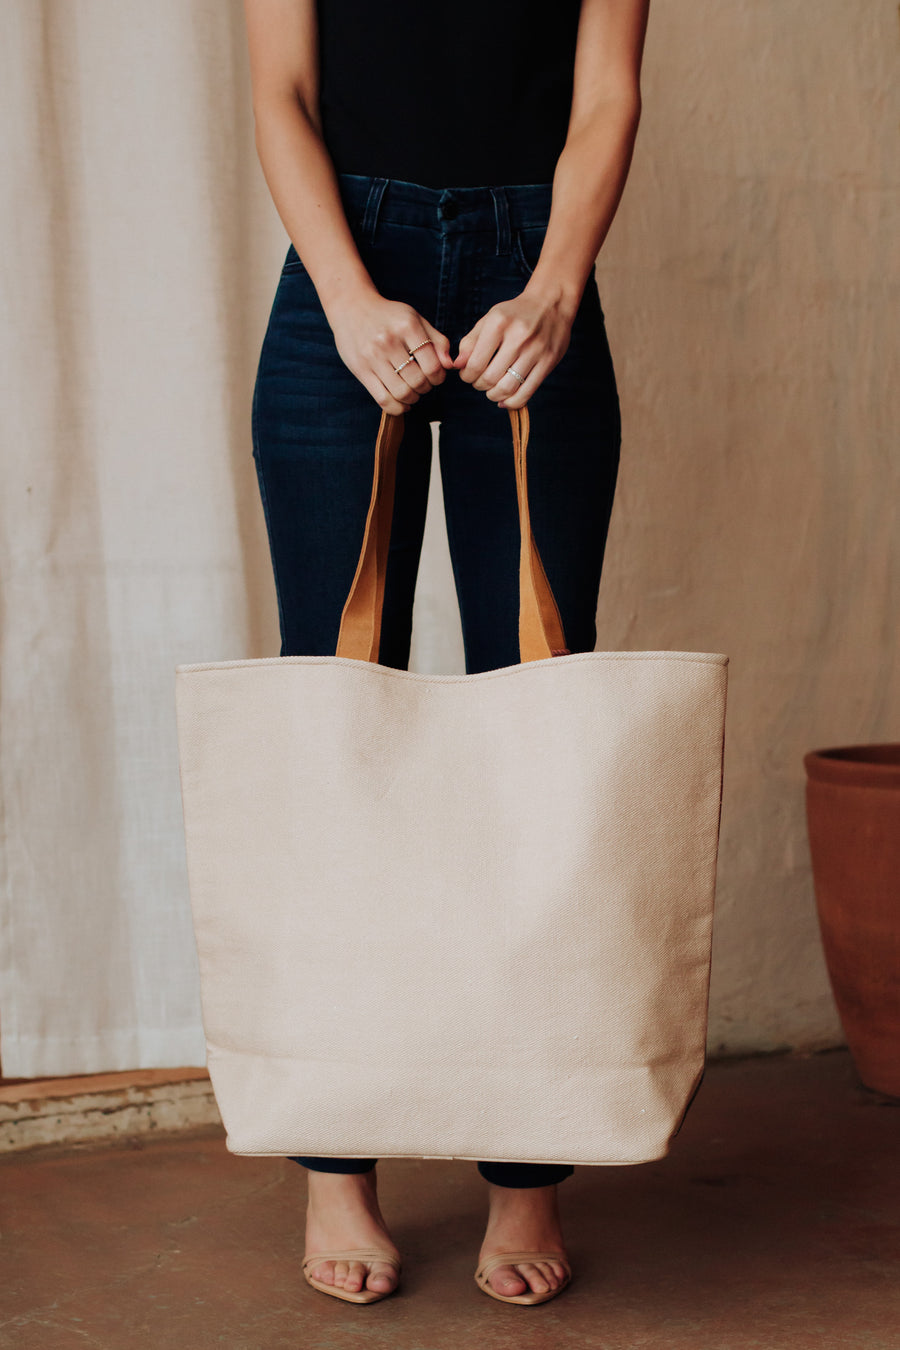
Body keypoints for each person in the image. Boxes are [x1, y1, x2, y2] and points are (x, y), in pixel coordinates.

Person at [243, 0, 649, 1308]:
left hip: (531, 266)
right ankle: (334, 1164)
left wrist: (558, 283)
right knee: (331, 725)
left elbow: (607, 95)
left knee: (544, 727)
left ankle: (526, 1173)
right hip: (341, 275)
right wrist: (352, 299)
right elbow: (281, 95)